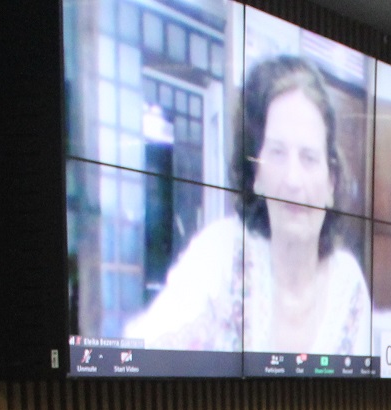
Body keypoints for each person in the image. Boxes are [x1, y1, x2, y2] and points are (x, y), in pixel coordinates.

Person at [125, 57, 370, 357]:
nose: (293, 180)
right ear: (257, 176)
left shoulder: (349, 285)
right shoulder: (220, 254)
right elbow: (135, 355)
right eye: (277, 153)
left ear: (331, 181)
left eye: (308, 157)